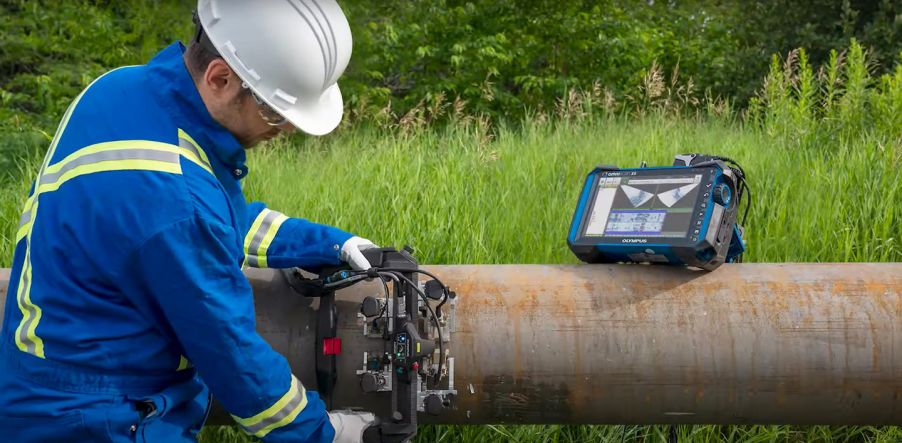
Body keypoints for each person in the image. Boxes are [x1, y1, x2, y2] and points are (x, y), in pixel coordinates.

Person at [0, 1, 376, 441]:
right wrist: (323, 433)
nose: (285, 130)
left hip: (42, 385)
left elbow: (213, 223)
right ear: (220, 78)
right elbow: (235, 360)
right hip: (102, 417)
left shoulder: (117, 90)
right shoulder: (175, 199)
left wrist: (329, 244)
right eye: (275, 112)